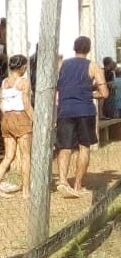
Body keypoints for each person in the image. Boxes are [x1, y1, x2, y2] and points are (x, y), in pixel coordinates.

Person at [54, 36, 107, 198]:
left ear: (74, 47)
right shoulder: (93, 66)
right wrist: (89, 93)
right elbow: (104, 93)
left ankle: (63, 181)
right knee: (84, 147)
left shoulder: (63, 64)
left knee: (65, 147)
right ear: (88, 49)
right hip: (85, 110)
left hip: (65, 110)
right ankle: (77, 185)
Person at [0, 54, 32, 200]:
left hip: (6, 119)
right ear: (22, 67)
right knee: (26, 156)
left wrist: (8, 116)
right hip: (20, 118)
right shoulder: (24, 82)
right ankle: (26, 190)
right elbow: (26, 103)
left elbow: (0, 104)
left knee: (9, 156)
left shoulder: (4, 82)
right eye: (25, 66)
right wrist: (35, 119)